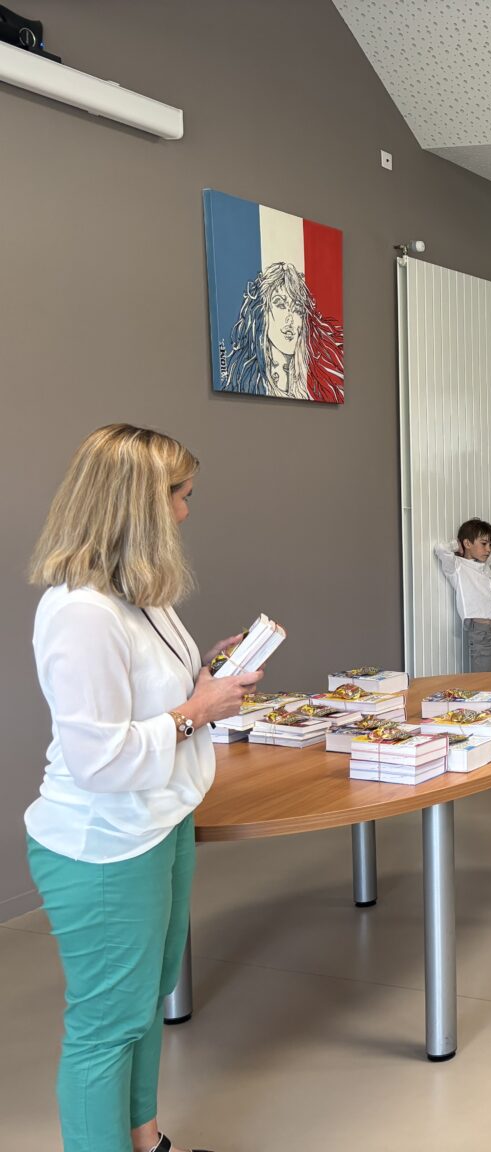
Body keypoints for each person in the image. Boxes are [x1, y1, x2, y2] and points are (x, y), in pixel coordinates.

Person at [25, 424, 265, 1152]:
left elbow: (151, 698)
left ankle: (146, 1140)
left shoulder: (141, 595)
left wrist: (207, 676)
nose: (186, 512)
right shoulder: (80, 613)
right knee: (107, 1026)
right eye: (180, 497)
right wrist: (198, 712)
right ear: (138, 505)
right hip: (105, 845)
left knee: (143, 1003)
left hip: (160, 821)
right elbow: (98, 760)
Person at [218, 261, 344, 403]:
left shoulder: (319, 384)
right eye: (280, 304)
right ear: (262, 312)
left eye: (297, 309)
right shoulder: (243, 379)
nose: (290, 318)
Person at [435, 517, 491, 672]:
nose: (488, 549)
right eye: (484, 544)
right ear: (467, 544)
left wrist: (483, 544)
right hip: (482, 632)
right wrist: (458, 545)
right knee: (485, 682)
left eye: (490, 544)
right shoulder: (457, 566)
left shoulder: (485, 564)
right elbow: (441, 549)